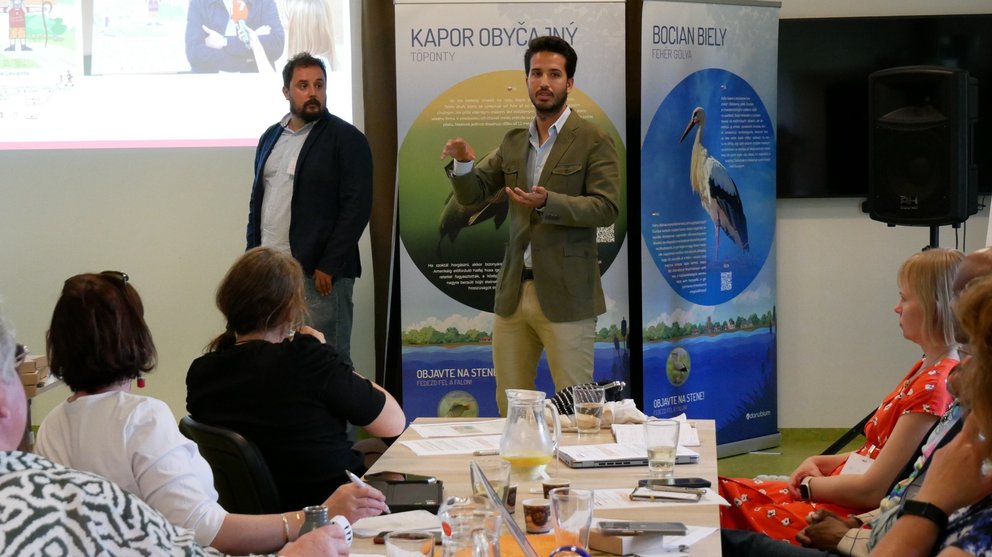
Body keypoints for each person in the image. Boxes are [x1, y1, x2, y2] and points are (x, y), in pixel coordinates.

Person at [34, 271, 387, 555]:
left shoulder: (52, 427)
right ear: (134, 336)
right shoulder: (141, 419)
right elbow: (206, 531)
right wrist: (315, 517)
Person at [722, 247, 992, 556]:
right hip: (861, 516)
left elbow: (876, 491)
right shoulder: (927, 372)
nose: (896, 308)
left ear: (939, 307)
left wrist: (811, 487)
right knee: (721, 496)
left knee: (723, 511)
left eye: (905, 298)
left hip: (849, 510)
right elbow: (891, 483)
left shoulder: (937, 387)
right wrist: (823, 465)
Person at [440, 35, 620, 415]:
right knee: (511, 410)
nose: (544, 82)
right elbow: (473, 197)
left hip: (568, 296)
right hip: (512, 296)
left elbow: (606, 208)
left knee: (576, 412)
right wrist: (464, 165)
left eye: (554, 74)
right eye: (536, 73)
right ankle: (521, 477)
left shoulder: (593, 140)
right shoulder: (513, 142)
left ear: (569, 84)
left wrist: (548, 203)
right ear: (526, 80)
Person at [187, 247, 406, 511]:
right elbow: (394, 423)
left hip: (255, 524)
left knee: (368, 445)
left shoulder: (201, 372)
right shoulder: (306, 357)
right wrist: (327, 355)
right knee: (393, 458)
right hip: (331, 512)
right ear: (291, 309)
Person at [247, 52, 372, 369]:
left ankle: (339, 422)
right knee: (276, 359)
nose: (313, 92)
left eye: (319, 85)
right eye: (303, 85)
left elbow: (357, 207)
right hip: (272, 270)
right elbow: (257, 201)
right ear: (287, 92)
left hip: (319, 274)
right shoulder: (270, 137)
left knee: (328, 361)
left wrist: (328, 264)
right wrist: (252, 258)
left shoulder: (346, 139)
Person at [184, 0, 285, 73]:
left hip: (253, 87)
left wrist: (224, 42)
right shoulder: (199, 3)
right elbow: (194, 52)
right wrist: (247, 58)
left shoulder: (263, 3)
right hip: (209, 89)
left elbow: (276, 44)